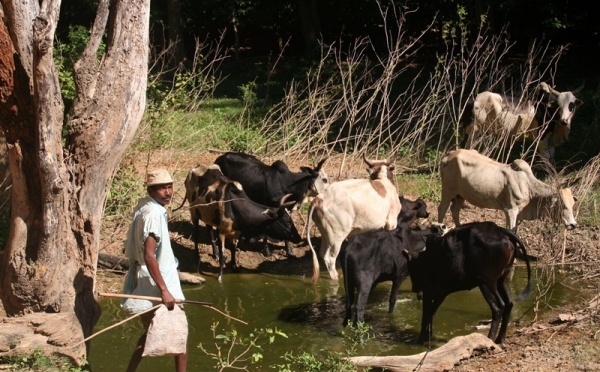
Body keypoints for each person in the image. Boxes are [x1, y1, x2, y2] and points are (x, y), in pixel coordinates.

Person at [121, 169, 187, 372]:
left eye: (169, 187)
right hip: (157, 283)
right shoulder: (153, 213)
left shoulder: (145, 207)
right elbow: (150, 255)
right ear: (151, 190)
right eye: (161, 188)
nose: (167, 192)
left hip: (150, 279)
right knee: (180, 335)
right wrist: (164, 290)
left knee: (150, 333)